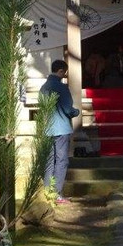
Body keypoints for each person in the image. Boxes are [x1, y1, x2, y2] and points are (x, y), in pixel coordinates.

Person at [39, 59, 80, 204]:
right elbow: (69, 109)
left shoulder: (43, 87)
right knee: (61, 160)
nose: (64, 75)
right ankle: (57, 193)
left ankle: (46, 191)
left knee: (49, 160)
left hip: (47, 127)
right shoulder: (62, 88)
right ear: (61, 71)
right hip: (61, 127)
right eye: (64, 72)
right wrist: (76, 112)